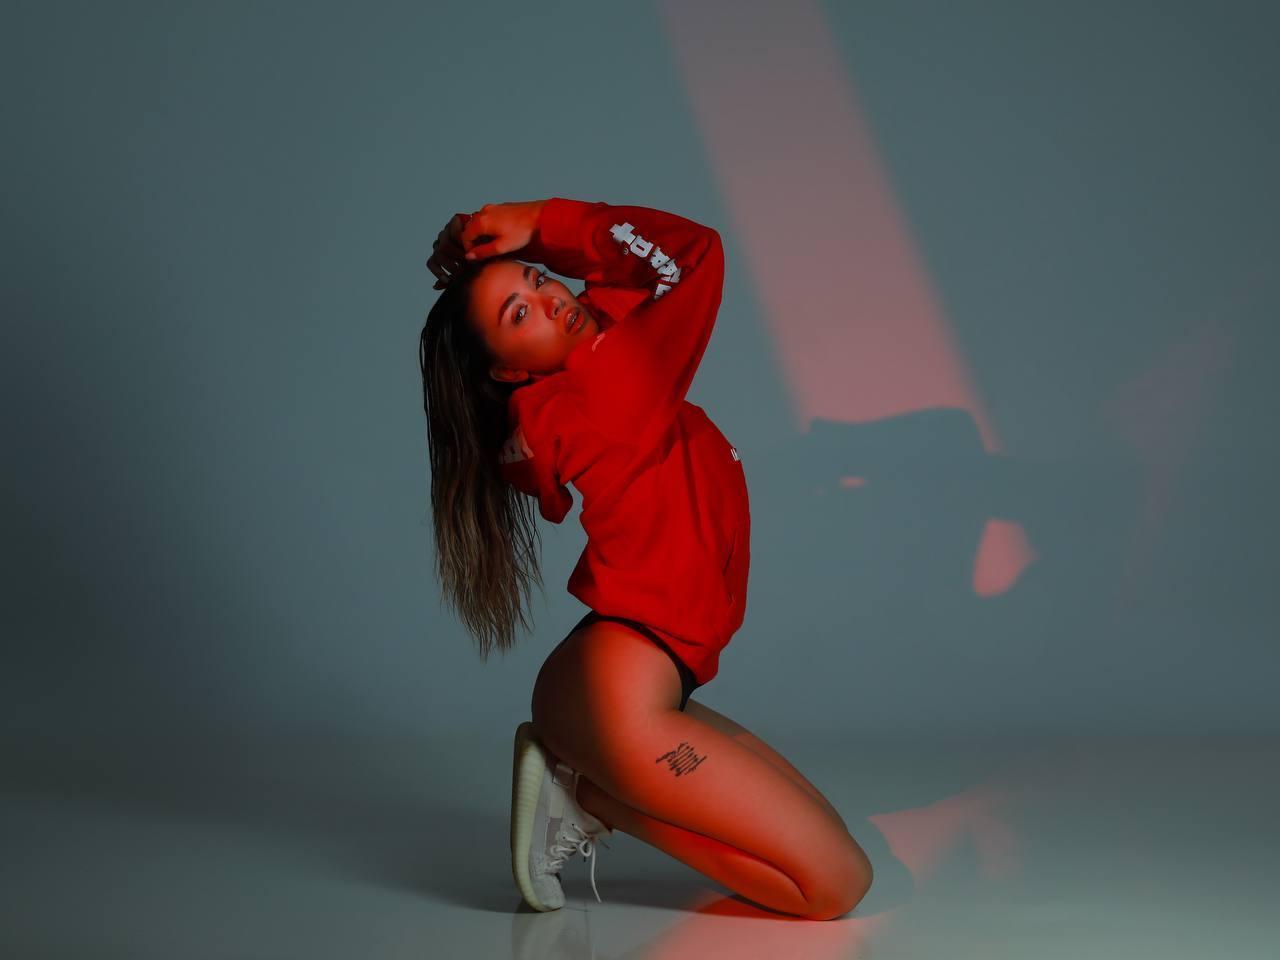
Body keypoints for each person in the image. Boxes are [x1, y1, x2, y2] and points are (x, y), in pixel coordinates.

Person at [420, 198, 873, 920]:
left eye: (539, 278)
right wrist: (539, 224)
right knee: (835, 884)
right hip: (624, 698)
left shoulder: (584, 378)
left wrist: (525, 241)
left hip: (626, 677)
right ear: (506, 370)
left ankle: (582, 776)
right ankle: (593, 796)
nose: (551, 298)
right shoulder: (605, 386)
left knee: (827, 836)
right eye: (519, 314)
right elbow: (693, 256)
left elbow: (632, 275)